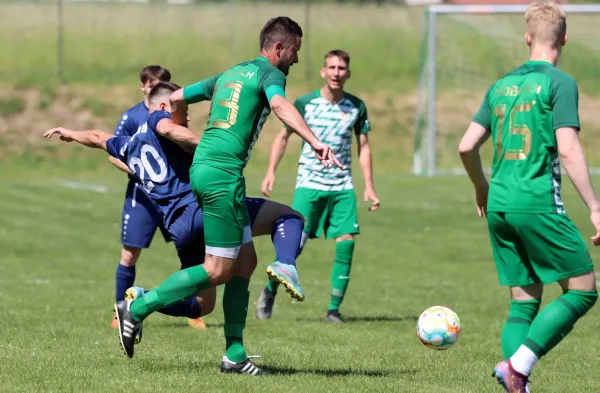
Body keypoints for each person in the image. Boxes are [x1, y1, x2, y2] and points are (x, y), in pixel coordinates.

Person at [110, 16, 342, 375]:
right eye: (295, 51)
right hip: (222, 176)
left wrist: (177, 124)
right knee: (220, 267)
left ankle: (235, 355)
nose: (296, 59)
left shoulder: (230, 73)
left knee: (244, 264)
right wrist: (314, 142)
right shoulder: (270, 74)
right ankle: (139, 307)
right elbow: (280, 106)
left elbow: (174, 96)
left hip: (206, 168)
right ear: (278, 48)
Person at [43, 81, 306, 375]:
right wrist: (214, 149)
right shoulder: (160, 120)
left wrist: (69, 133)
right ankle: (145, 309)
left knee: (203, 304)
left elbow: (96, 137)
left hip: (180, 225)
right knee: (287, 217)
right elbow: (173, 131)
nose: (188, 115)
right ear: (164, 107)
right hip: (204, 207)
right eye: (183, 109)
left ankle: (149, 302)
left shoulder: (128, 144)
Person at [457, 2, 599, 391]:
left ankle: (516, 383)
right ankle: (518, 368)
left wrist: (481, 188)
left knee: (524, 299)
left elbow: (466, 146)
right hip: (536, 202)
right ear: (564, 38)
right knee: (584, 289)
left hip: (499, 205)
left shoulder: (500, 86)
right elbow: (568, 149)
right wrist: (595, 206)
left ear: (527, 37)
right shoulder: (560, 83)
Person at [256, 49, 379, 323]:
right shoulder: (305, 103)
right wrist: (270, 172)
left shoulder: (356, 106)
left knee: (347, 243)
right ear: (323, 72)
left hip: (342, 185)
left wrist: (369, 186)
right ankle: (269, 290)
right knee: (294, 245)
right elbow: (282, 137)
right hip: (309, 184)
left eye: (342, 68)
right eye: (331, 67)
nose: (336, 73)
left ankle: (333, 310)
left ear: (348, 73)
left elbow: (364, 147)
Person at [107, 66, 194, 328]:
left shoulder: (172, 117)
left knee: (191, 254)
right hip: (142, 196)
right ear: (144, 87)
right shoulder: (132, 117)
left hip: (174, 195)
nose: (158, 88)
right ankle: (119, 311)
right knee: (130, 254)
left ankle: (193, 310)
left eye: (164, 83)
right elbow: (114, 151)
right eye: (153, 83)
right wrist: (137, 171)